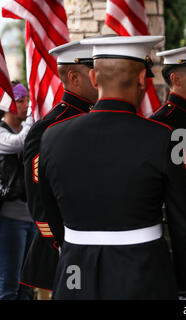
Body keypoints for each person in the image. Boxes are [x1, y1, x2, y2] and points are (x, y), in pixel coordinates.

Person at [38, 35, 186, 299]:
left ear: (94, 78)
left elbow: (48, 211)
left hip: (74, 272)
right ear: (141, 79)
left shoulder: (51, 137)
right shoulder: (163, 137)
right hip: (142, 272)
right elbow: (185, 222)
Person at [20, 40, 97, 298]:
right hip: (59, 251)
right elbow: (39, 199)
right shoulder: (48, 128)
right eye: (94, 71)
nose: (101, 77)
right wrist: (63, 244)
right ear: (74, 76)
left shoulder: (97, 120)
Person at [0, 81, 35, 299]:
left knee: (27, 285)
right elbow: (18, 143)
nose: (27, 105)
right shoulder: (2, 133)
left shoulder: (27, 129)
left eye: (28, 100)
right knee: (8, 283)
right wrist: (35, 117)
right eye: (21, 100)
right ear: (8, 104)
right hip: (9, 219)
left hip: (31, 217)